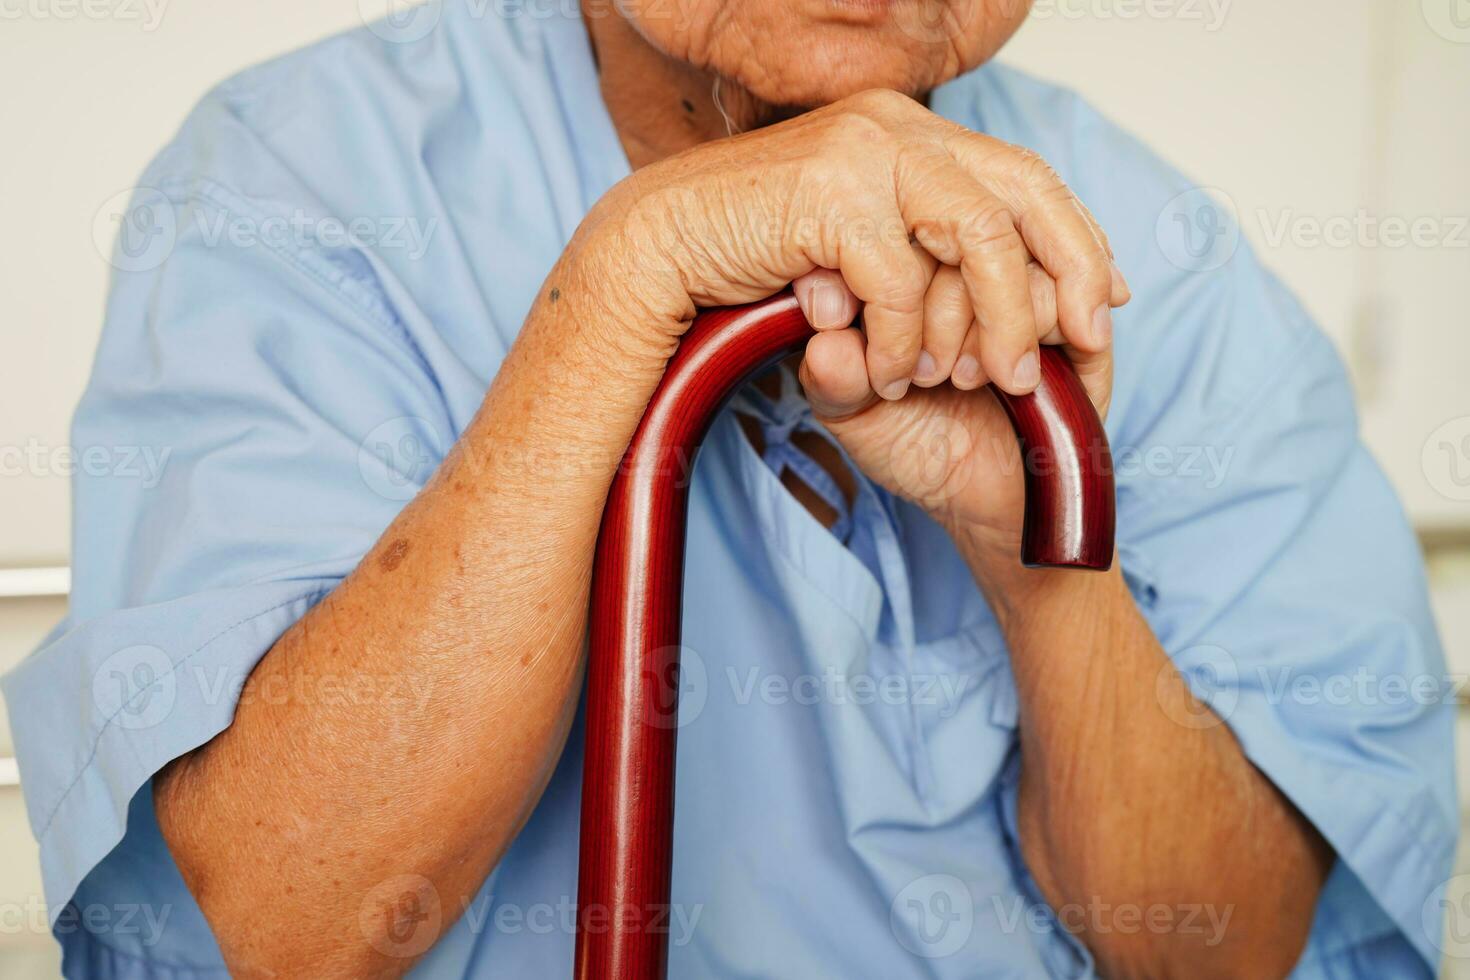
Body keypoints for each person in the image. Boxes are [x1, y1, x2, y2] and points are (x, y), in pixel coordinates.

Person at [5, 0, 1453, 975]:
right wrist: (626, 280)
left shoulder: (1160, 253)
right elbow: (278, 925)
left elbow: (1231, 948)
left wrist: (1033, 569)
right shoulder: (302, 171)